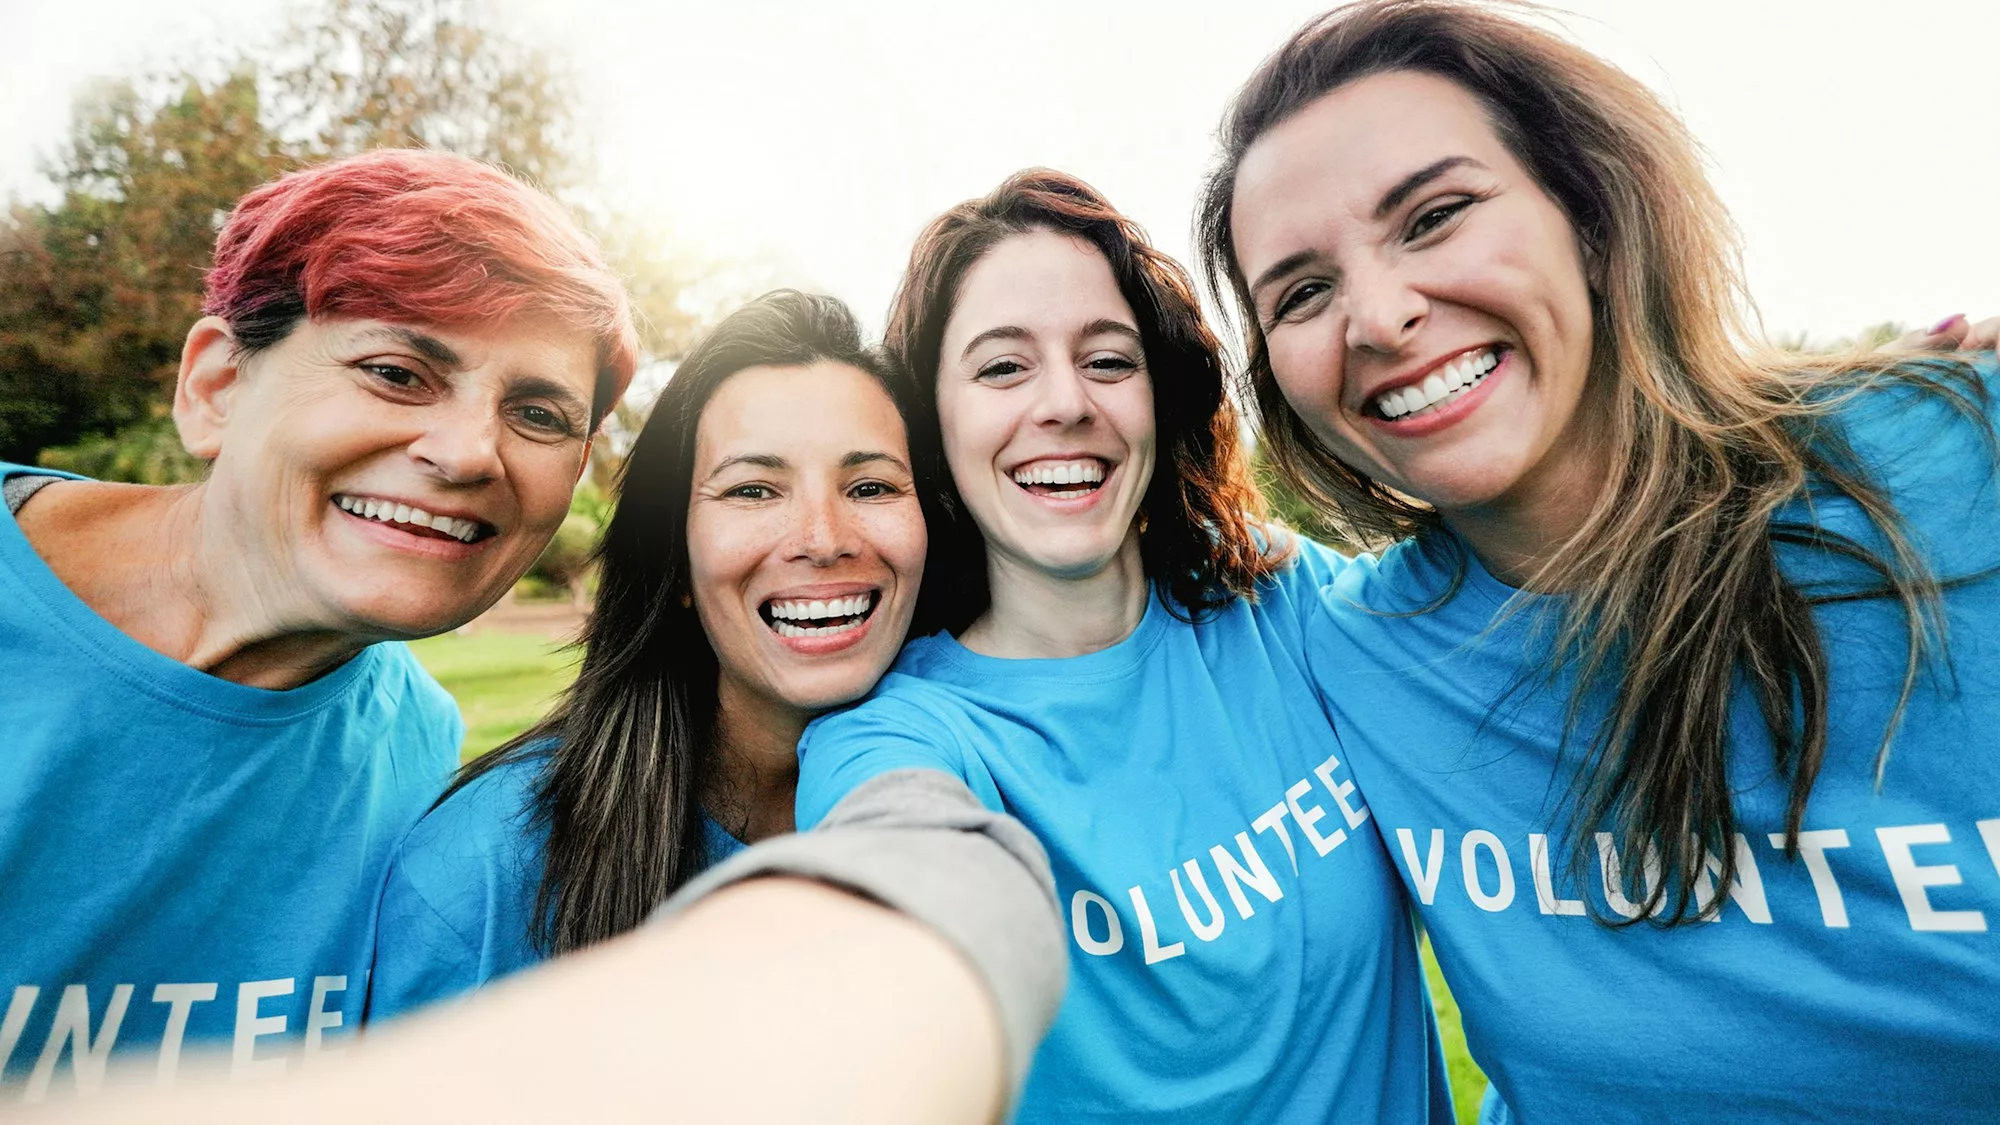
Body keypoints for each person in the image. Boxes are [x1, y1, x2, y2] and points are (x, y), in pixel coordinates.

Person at [1197, 1, 2000, 1120]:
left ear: (1585, 208)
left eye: (1432, 216)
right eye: (1300, 292)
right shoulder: (1340, 648)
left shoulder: (1961, 468)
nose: (1376, 317)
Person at [783, 169, 1451, 1122]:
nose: (1065, 404)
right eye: (1002, 367)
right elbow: (893, 862)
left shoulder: (1274, 591)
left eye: (1108, 359)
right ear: (934, 422)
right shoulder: (900, 738)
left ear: (1158, 393)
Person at [0, 147, 637, 1095]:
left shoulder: (420, 744)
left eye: (538, 413)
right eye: (396, 371)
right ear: (215, 386)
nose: (469, 452)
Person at [367, 289, 944, 1017]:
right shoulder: (480, 871)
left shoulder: (996, 806)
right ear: (674, 558)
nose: (824, 538)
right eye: (754, 489)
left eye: (870, 485)